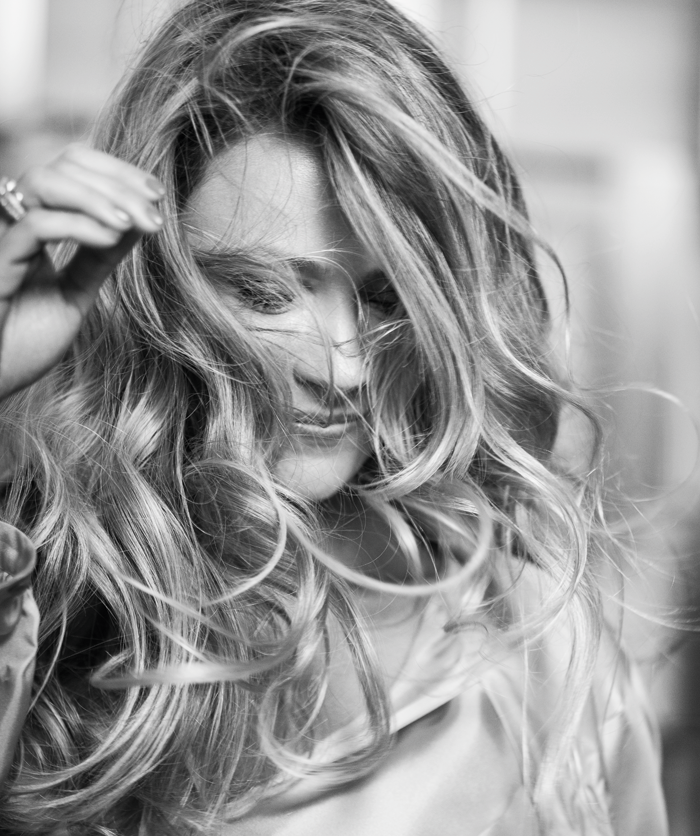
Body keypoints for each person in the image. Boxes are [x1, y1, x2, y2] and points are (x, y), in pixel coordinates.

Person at [0, 1, 668, 833]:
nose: (342, 365)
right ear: (158, 289)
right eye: (264, 292)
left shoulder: (539, 650)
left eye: (388, 298)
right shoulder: (41, 590)